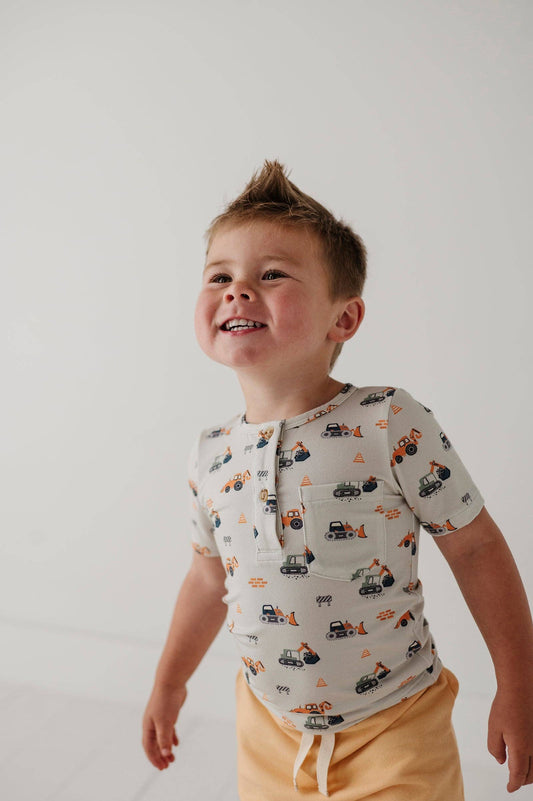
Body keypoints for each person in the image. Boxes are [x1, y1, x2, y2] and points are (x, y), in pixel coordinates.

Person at [142, 159, 533, 799]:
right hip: (266, 729)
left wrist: (519, 686)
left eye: (272, 274)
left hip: (395, 724)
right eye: (220, 276)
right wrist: (168, 683)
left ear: (343, 319)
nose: (238, 291)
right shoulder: (209, 455)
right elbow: (207, 580)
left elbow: (476, 547)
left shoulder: (386, 420)